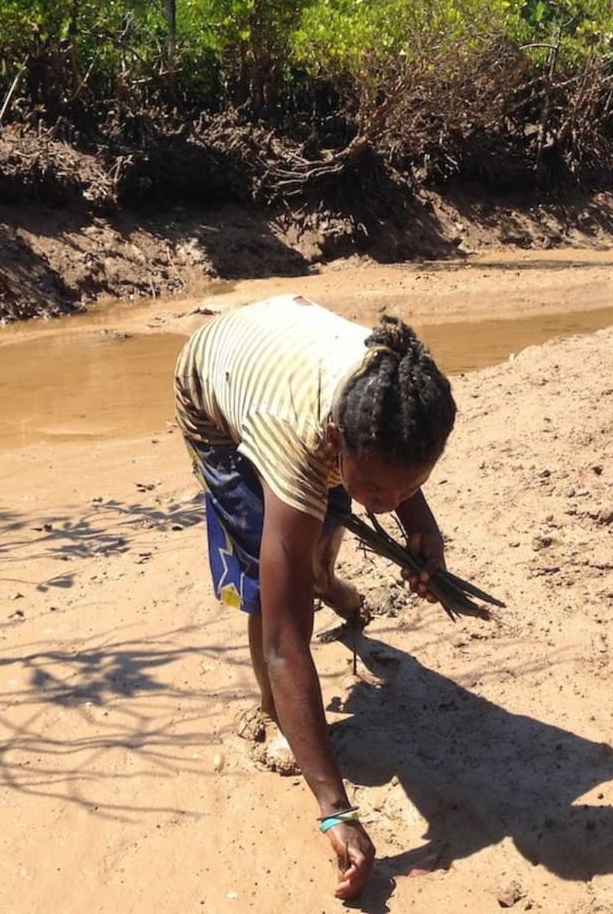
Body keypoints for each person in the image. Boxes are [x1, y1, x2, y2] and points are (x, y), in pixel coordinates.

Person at [174, 293, 457, 900]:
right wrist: (336, 811)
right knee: (270, 580)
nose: (388, 499)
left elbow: (393, 465)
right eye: (376, 489)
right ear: (337, 439)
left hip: (286, 357)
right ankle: (273, 711)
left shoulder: (395, 398)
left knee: (318, 528)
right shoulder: (297, 436)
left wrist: (421, 525)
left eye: (412, 482)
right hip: (214, 391)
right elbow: (283, 644)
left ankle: (325, 583)